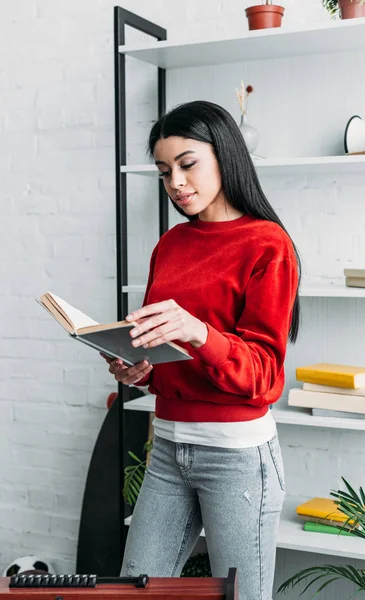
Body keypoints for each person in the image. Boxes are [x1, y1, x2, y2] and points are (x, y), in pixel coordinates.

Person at [102, 100, 301, 600]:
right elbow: (168, 358)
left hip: (236, 458)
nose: (176, 182)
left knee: (242, 597)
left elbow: (263, 376)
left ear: (225, 156)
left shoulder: (266, 244)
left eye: (188, 164)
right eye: (165, 171)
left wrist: (198, 331)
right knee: (134, 590)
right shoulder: (170, 245)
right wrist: (139, 371)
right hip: (167, 447)